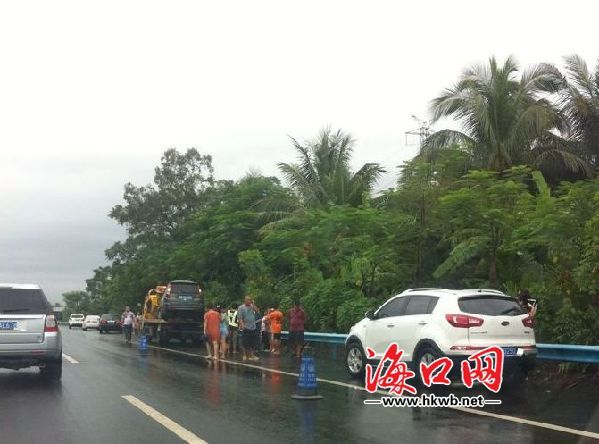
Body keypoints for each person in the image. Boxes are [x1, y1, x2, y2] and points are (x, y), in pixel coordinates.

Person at [237, 296, 259, 361]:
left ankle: (251, 355)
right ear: (245, 300)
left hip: (253, 327)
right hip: (246, 327)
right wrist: (242, 325)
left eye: (250, 300)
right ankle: (244, 355)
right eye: (248, 300)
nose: (249, 301)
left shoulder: (252, 306)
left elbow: (257, 311)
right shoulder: (241, 307)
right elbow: (240, 318)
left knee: (252, 342)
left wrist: (254, 304)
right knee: (245, 342)